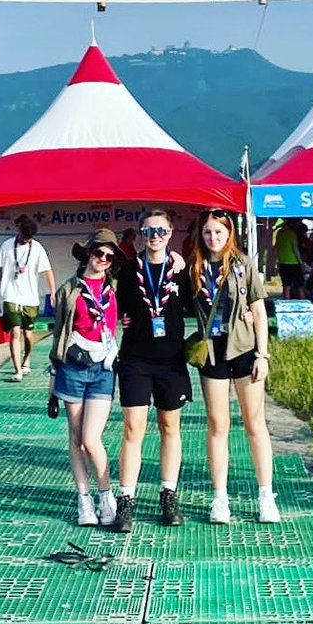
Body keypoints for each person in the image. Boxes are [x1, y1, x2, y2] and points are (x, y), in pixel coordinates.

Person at [190, 207, 279, 524]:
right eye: (207, 232)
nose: (213, 237)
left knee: (255, 423)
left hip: (244, 349)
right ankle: (220, 499)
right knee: (218, 425)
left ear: (229, 233)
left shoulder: (243, 265)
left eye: (218, 231)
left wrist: (263, 354)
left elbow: (259, 309)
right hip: (212, 352)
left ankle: (266, 496)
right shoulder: (195, 267)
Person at [111, 207, 193, 532]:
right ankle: (126, 500)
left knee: (170, 426)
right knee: (133, 428)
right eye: (148, 232)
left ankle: (168, 495)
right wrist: (122, 320)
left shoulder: (181, 270)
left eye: (160, 231)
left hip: (171, 360)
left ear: (171, 234)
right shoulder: (130, 270)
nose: (154, 236)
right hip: (135, 358)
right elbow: (120, 309)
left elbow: (199, 304)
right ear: (140, 235)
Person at [49, 229, 120, 527]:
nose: (102, 259)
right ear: (88, 253)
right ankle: (84, 501)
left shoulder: (116, 287)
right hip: (74, 368)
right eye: (98, 253)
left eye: (108, 256)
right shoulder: (69, 289)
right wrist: (52, 383)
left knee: (92, 439)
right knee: (76, 439)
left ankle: (107, 496)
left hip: (103, 368)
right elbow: (59, 335)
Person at [0, 216, 55, 382]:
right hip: (10, 295)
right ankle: (17, 369)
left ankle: (27, 359)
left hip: (30, 298)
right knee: (15, 331)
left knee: (28, 334)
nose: (26, 240)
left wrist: (53, 292)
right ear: (18, 231)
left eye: (29, 238)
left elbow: (47, 271)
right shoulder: (6, 246)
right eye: (24, 236)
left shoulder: (37, 248)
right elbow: (0, 271)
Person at [274, 219, 305, 300]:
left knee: (286, 285)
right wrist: (301, 262)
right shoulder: (292, 234)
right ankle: (303, 302)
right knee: (299, 285)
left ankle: (286, 303)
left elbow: (276, 247)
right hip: (293, 263)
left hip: (282, 262)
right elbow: (295, 250)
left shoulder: (279, 234)